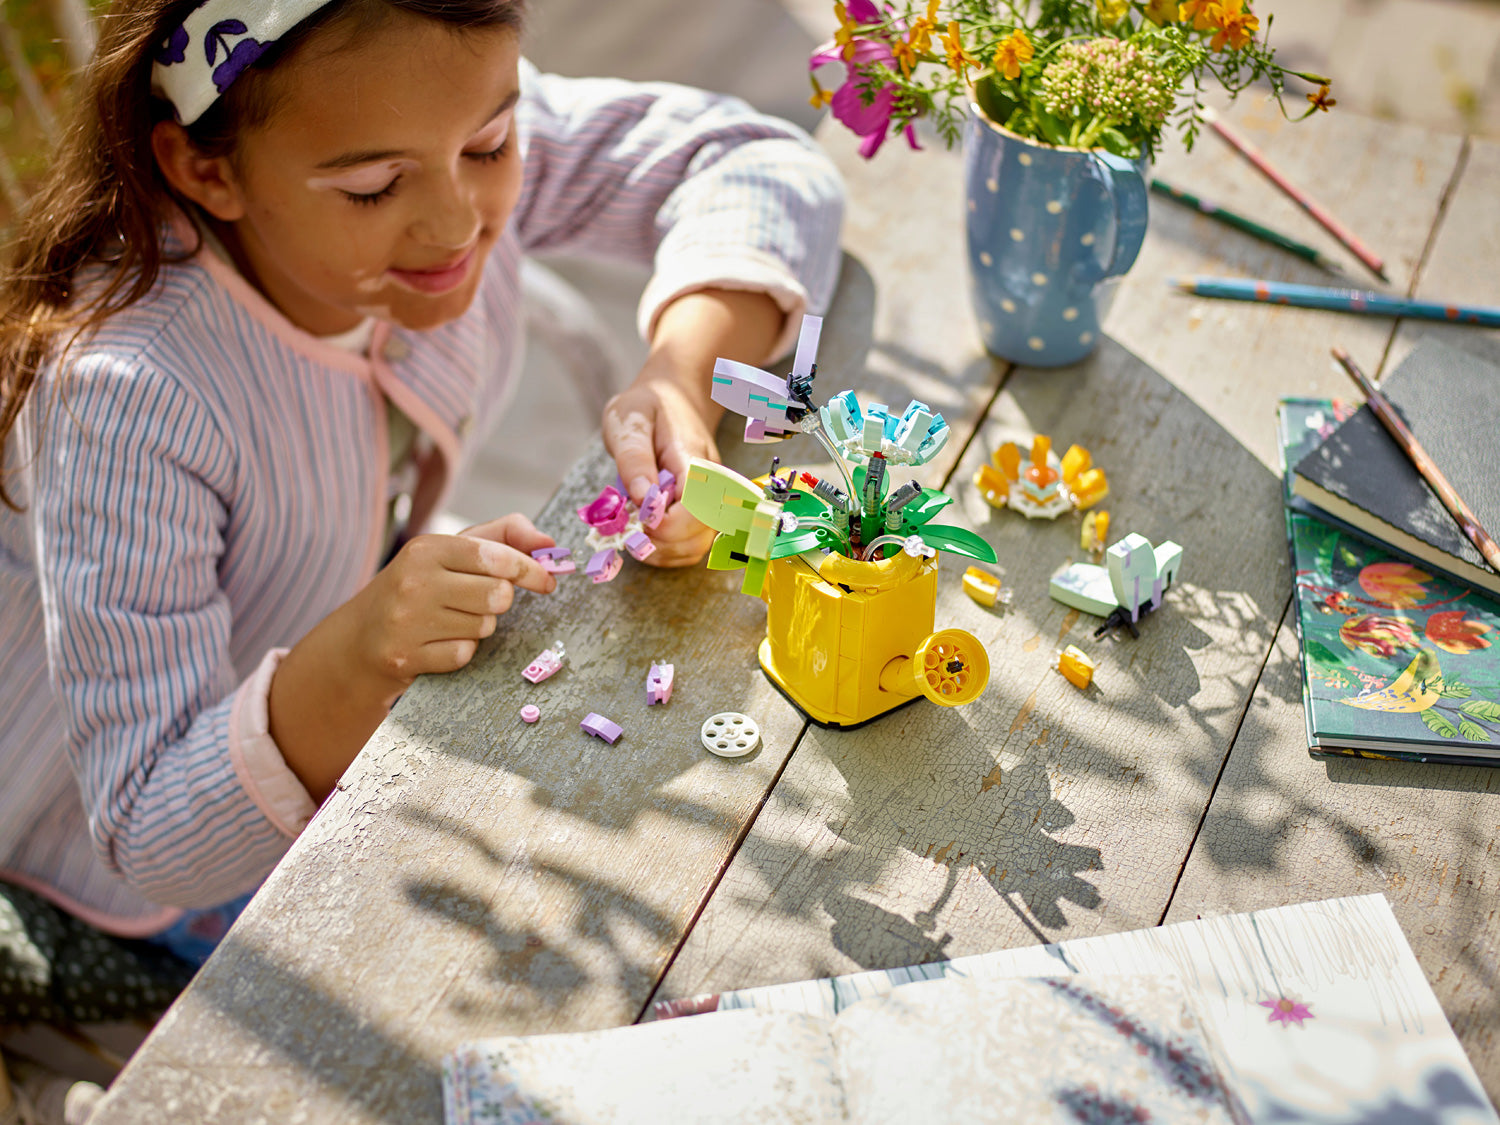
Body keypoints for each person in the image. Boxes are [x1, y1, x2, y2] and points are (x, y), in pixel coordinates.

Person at [0, 0, 843, 1023]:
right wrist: (364, 655)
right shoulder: (128, 398)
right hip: (108, 875)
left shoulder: (427, 119)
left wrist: (681, 377)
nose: (457, 222)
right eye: (372, 188)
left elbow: (760, 162)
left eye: (492, 145)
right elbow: (150, 831)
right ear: (207, 171)